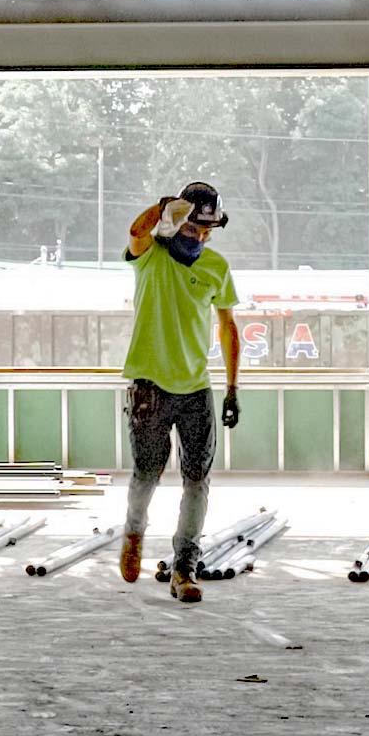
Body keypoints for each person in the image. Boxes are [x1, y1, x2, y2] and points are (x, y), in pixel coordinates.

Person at [117, 181, 242, 603]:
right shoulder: (150, 256)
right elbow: (136, 232)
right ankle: (133, 534)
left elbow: (227, 327)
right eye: (193, 230)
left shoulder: (216, 268)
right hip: (149, 385)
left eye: (208, 232)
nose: (201, 238)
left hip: (196, 389)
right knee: (146, 474)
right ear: (175, 223)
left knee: (197, 479)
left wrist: (232, 387)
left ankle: (184, 568)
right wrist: (162, 206)